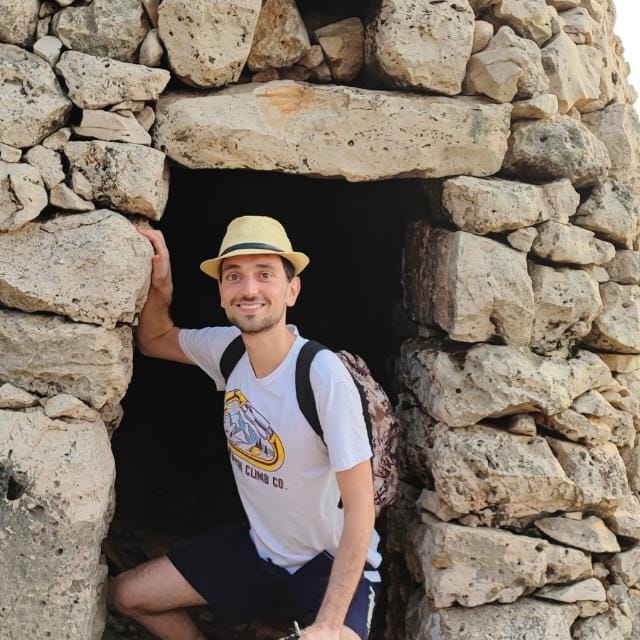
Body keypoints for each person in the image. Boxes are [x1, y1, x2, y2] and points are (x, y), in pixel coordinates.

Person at [110, 215, 381, 640]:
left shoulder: (321, 375)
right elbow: (155, 339)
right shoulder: (229, 351)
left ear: (292, 290)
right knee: (128, 595)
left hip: (327, 564)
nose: (249, 289)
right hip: (260, 553)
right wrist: (161, 285)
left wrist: (329, 624)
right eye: (234, 276)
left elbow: (362, 509)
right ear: (221, 293)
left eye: (265, 274)